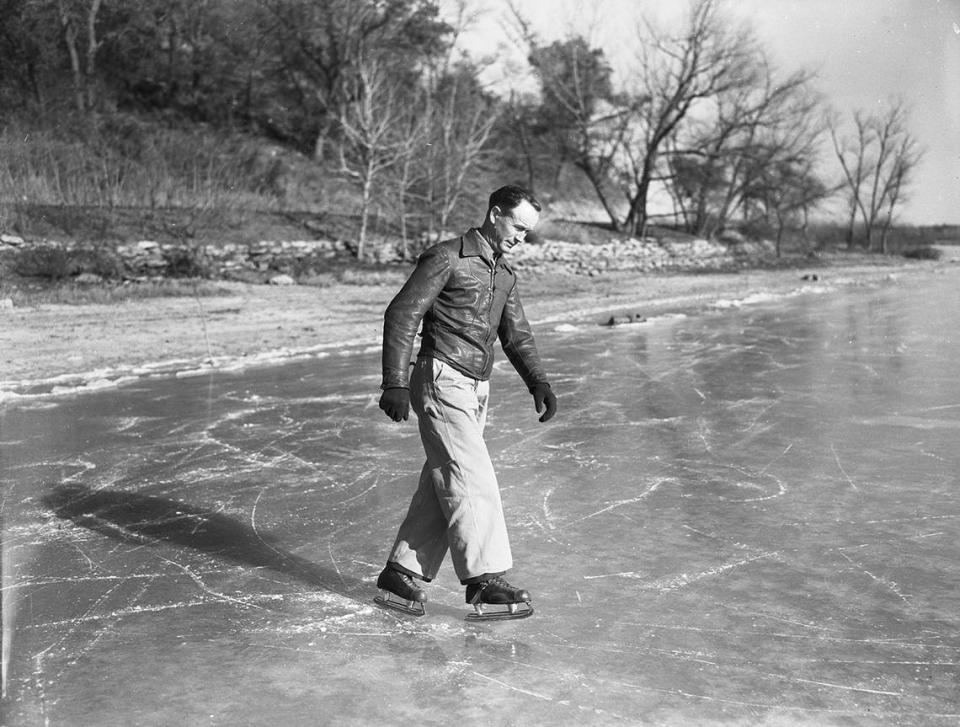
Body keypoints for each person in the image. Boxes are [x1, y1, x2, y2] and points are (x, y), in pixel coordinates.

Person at [375, 184, 558, 620]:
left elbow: (518, 336)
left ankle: (401, 573)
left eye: (528, 233)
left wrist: (539, 381)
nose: (521, 238)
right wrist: (394, 382)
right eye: (518, 226)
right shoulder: (447, 257)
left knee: (448, 480)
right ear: (495, 214)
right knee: (471, 477)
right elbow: (403, 313)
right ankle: (484, 581)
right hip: (441, 376)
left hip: (477, 388)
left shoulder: (504, 274)